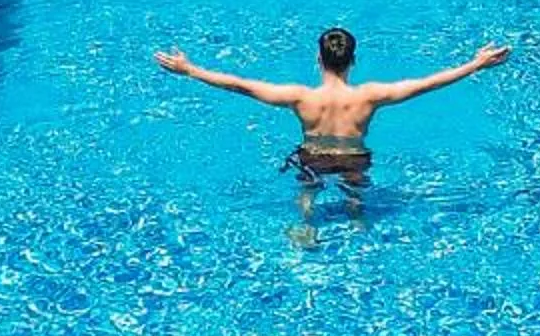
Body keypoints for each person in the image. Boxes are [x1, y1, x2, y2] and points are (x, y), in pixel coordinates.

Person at [154, 27, 510, 221]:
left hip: (314, 156)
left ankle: (306, 226)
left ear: (318, 59)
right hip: (355, 159)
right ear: (353, 59)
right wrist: (475, 64)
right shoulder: (370, 96)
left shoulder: (300, 97)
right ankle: (356, 218)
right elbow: (428, 83)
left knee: (307, 190)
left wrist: (191, 70)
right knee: (356, 191)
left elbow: (240, 85)